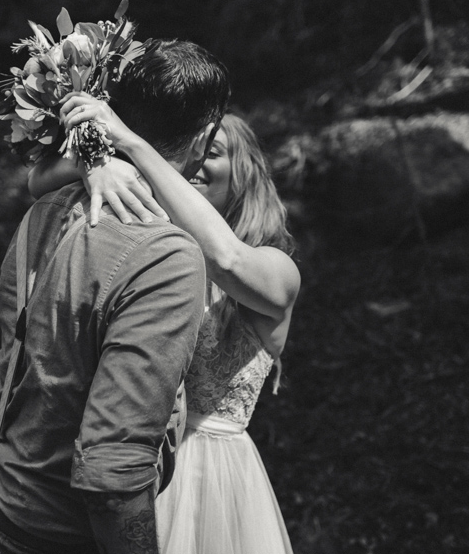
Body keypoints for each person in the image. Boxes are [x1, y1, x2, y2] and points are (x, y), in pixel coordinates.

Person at [0, 38, 231, 554]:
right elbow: (111, 472)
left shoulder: (47, 210)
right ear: (200, 138)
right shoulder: (167, 257)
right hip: (49, 536)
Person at [30, 104, 300, 554]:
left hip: (210, 474)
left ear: (245, 172)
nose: (195, 162)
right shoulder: (153, 242)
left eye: (211, 151)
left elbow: (225, 259)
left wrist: (132, 142)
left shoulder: (277, 269)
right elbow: (37, 183)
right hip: (131, 458)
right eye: (190, 150)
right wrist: (96, 164)